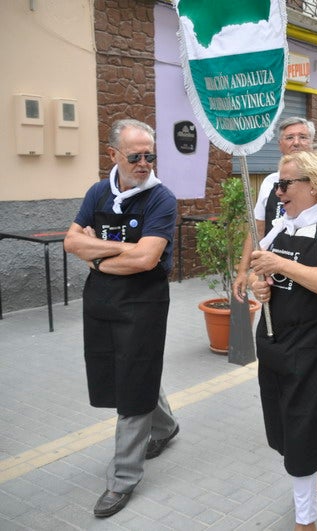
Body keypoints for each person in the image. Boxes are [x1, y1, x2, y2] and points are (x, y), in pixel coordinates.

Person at [63, 119, 180, 518]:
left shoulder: (161, 199)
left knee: (133, 378)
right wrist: (120, 252)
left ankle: (123, 478)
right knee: (128, 369)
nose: (144, 163)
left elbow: (147, 259)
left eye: (150, 155)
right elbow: (70, 241)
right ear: (113, 154)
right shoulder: (98, 192)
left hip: (143, 300)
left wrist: (96, 256)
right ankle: (165, 427)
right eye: (135, 156)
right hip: (101, 298)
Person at [247, 150, 317, 530]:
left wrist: (279, 264)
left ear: (313, 186)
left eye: (284, 184)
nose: (278, 192)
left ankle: (305, 519)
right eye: (277, 185)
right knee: (283, 423)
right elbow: (261, 274)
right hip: (278, 340)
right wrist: (260, 285)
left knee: (302, 426)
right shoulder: (283, 226)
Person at [233, 116, 317, 436]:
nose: (296, 142)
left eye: (303, 136)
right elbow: (258, 231)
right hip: (284, 329)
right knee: (290, 417)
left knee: (309, 417)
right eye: (290, 137)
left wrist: (280, 264)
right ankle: (316, 452)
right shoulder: (277, 205)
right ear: (280, 143)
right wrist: (252, 275)